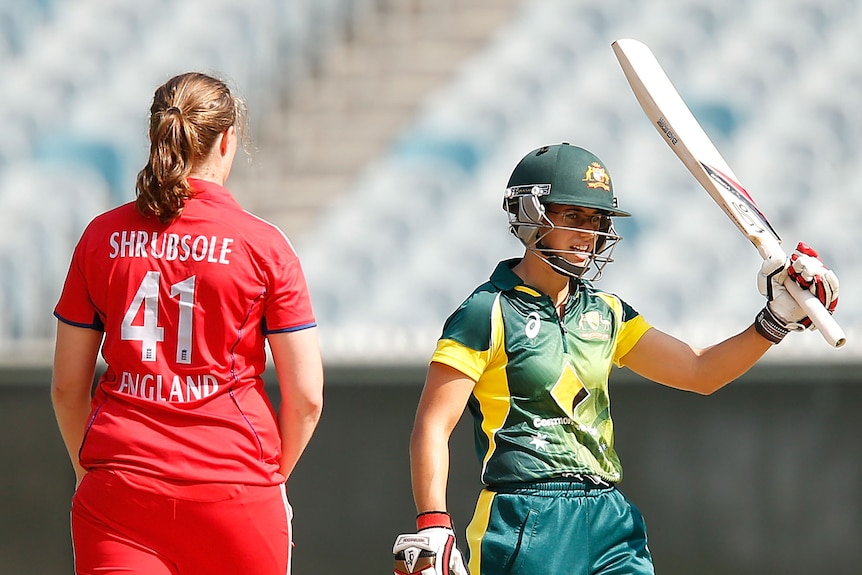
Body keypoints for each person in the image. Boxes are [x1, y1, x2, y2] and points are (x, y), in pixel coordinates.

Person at [393, 143, 839, 575]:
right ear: (531, 216)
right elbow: (433, 424)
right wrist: (433, 521)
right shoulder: (485, 311)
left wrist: (775, 320)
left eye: (597, 219)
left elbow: (700, 371)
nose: (589, 234)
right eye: (573, 217)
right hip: (525, 518)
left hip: (609, 519)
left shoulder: (606, 313)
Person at [51, 72, 324, 575]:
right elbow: (306, 396)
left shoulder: (100, 236)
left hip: (120, 493)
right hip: (235, 491)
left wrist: (90, 467)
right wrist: (268, 477)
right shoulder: (264, 246)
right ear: (227, 139)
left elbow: (68, 386)